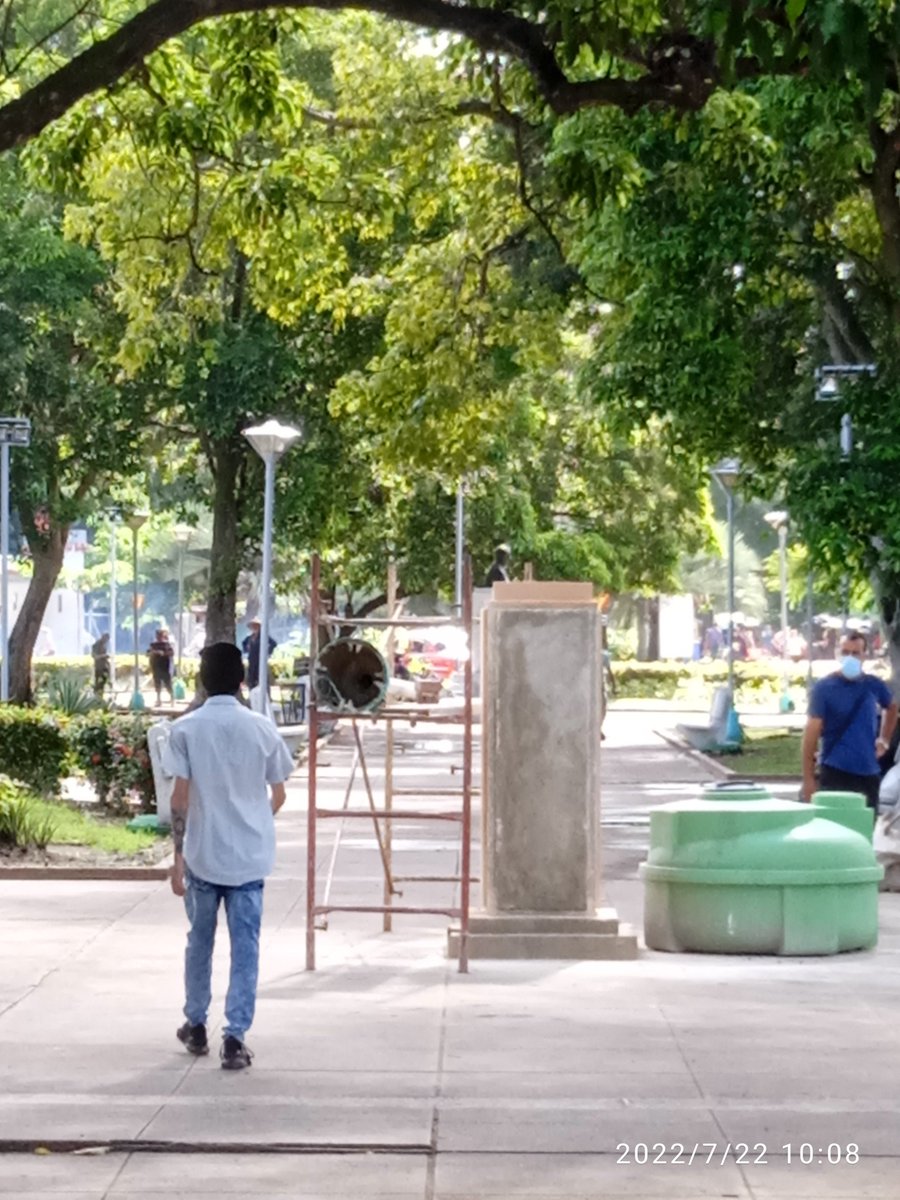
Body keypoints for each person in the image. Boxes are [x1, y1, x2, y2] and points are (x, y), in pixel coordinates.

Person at [163, 642, 294, 1070]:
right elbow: (279, 794)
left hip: (203, 855)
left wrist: (178, 857)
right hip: (250, 859)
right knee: (246, 947)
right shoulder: (262, 729)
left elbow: (179, 799)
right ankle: (235, 1037)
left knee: (199, 942)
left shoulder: (184, 730)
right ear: (241, 680)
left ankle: (196, 1024)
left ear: (201, 681)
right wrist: (255, 821)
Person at [801, 630, 898, 813]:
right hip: (835, 771)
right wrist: (808, 780)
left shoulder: (873, 685)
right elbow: (810, 736)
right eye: (845, 652)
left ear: (864, 656)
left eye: (856, 653)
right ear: (837, 653)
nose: (850, 658)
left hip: (868, 774)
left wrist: (884, 739)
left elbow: (892, 707)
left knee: (866, 826)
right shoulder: (824, 688)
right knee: (835, 825)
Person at [241, 618, 277, 691]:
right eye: (253, 626)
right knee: (251, 680)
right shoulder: (249, 638)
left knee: (262, 679)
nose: (254, 627)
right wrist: (247, 649)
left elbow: (273, 643)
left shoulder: (264, 636)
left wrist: (267, 652)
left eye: (256, 626)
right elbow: (244, 644)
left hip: (260, 661)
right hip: (251, 661)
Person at [147, 628, 175, 706]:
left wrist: (163, 653)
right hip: (156, 667)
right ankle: (159, 700)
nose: (158, 637)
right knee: (157, 684)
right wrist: (153, 653)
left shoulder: (166, 645)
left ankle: (172, 698)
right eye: (157, 635)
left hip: (164, 667)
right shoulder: (153, 645)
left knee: (168, 684)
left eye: (160, 635)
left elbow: (171, 653)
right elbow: (148, 653)